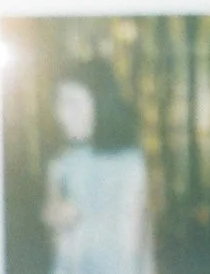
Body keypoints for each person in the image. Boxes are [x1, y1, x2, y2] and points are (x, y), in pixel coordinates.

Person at [41, 57, 156, 274]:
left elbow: (141, 242)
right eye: (60, 102)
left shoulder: (132, 163)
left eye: (72, 103)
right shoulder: (62, 164)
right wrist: (55, 217)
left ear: (100, 103)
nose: (62, 114)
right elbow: (60, 248)